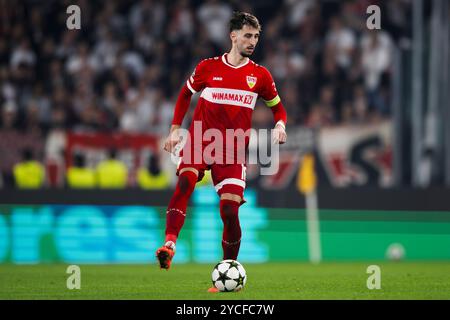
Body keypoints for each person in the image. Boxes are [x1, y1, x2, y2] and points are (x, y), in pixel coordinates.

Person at [155, 12, 287, 292]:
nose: (252, 41)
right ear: (233, 36)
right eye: (248, 35)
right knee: (185, 180)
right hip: (202, 140)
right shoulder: (207, 67)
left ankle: (229, 269)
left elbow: (278, 108)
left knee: (229, 210)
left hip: (233, 149)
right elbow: (184, 94)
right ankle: (169, 243)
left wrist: (280, 126)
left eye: (256, 36)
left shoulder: (259, 75)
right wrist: (176, 127)